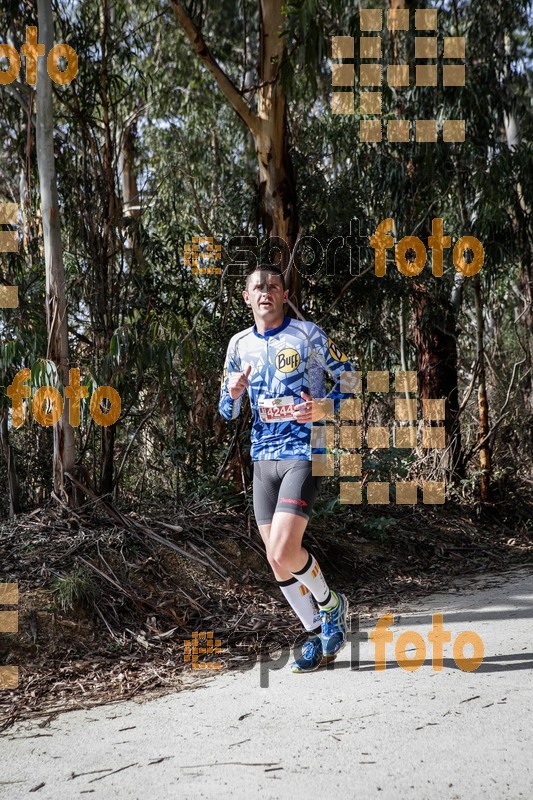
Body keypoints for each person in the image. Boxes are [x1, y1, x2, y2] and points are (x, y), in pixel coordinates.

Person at [218, 265, 357, 673]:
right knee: (277, 560)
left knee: (284, 548)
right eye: (258, 287)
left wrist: (322, 406)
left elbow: (348, 378)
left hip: (304, 450)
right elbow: (227, 411)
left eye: (273, 286)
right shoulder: (238, 345)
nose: (265, 292)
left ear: (283, 293)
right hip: (263, 457)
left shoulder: (307, 335)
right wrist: (233, 393)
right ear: (247, 297)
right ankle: (318, 631)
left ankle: (332, 606)